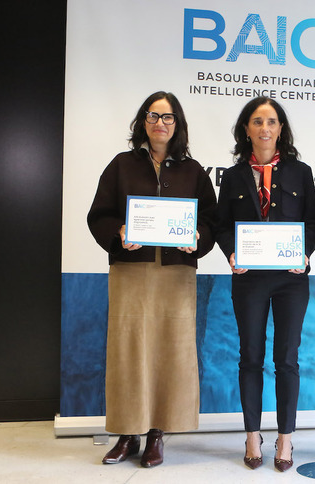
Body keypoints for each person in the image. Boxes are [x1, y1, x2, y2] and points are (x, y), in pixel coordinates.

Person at [87, 91, 217, 468]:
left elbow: (210, 222)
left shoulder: (193, 171)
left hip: (176, 275)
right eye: (153, 116)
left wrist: (199, 239)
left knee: (171, 352)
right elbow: (99, 215)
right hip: (132, 270)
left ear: (178, 125)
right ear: (143, 121)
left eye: (168, 117)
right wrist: (119, 232)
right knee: (129, 352)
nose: (160, 123)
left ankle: (158, 433)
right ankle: (128, 434)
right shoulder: (121, 166)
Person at [216, 96, 315, 472]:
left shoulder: (300, 171)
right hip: (249, 281)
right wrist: (231, 252)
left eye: (272, 121)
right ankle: (251, 435)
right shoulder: (232, 176)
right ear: (246, 128)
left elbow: (313, 221)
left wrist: (305, 252)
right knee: (250, 358)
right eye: (257, 121)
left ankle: (285, 438)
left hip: (291, 280)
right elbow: (221, 225)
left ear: (281, 129)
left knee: (287, 359)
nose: (265, 128)